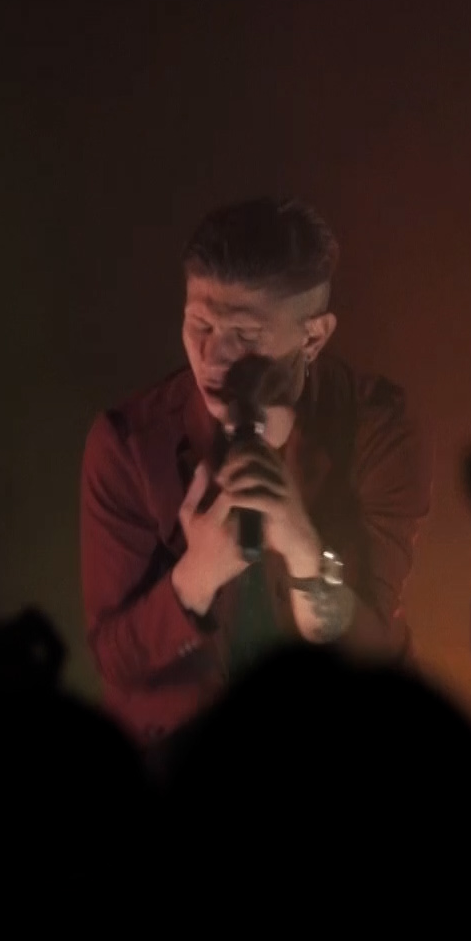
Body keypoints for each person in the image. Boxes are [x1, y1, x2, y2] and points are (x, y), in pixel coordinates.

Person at [78, 196, 432, 757]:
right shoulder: (129, 446)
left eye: (245, 336)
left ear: (313, 337)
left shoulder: (377, 432)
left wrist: (307, 554)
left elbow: (373, 657)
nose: (213, 356)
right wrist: (196, 577)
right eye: (199, 324)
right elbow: (117, 662)